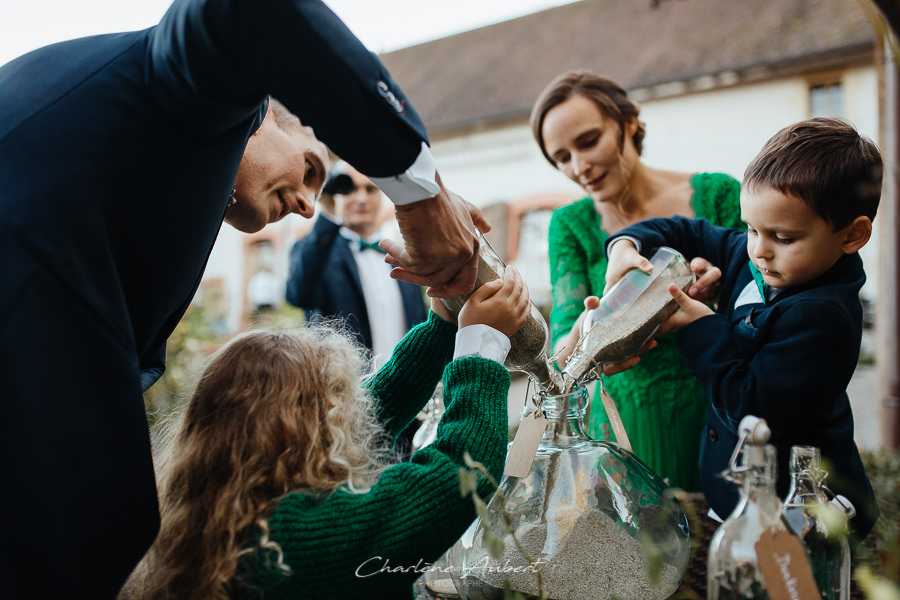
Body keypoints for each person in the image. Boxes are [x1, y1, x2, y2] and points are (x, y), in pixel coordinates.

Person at [0, 1, 487, 596]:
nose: (312, 205)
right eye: (313, 169)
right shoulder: (179, 89)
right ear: (262, 114)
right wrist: (418, 195)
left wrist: (441, 324)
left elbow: (361, 421)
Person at [119, 266, 531, 600]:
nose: (350, 414)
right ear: (309, 431)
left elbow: (372, 410)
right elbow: (460, 474)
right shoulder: (296, 540)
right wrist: (482, 348)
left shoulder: (221, 503)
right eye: (337, 404)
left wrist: (443, 320)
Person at [604, 117, 881, 540]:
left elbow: (753, 408)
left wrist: (701, 327)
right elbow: (685, 229)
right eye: (751, 228)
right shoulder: (758, 256)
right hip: (739, 502)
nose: (758, 249)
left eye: (784, 237)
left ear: (852, 235)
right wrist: (626, 247)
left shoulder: (824, 318)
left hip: (799, 517)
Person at [530, 70, 744, 491]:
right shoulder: (570, 224)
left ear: (628, 123)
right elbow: (562, 349)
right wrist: (594, 331)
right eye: (562, 157)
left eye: (588, 142)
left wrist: (719, 297)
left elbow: (767, 304)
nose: (579, 166)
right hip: (623, 425)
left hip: (718, 411)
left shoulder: (719, 195)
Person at [286, 162, 428, 367]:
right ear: (335, 194)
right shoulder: (318, 249)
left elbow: (419, 323)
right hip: (346, 388)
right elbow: (299, 295)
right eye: (350, 189)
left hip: (405, 386)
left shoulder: (401, 254)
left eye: (370, 189)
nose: (361, 198)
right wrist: (328, 213)